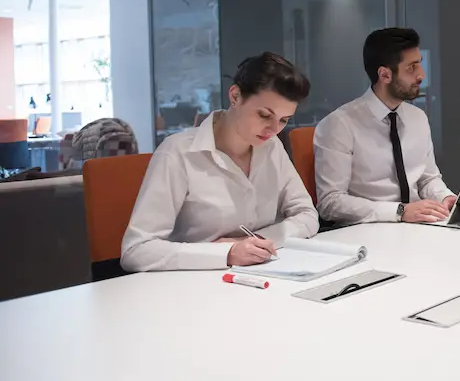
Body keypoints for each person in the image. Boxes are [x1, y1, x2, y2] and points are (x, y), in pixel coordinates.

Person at [121, 52, 318, 272]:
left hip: (259, 275)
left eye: (283, 120)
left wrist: (258, 242)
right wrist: (225, 253)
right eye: (264, 115)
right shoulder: (178, 153)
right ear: (235, 96)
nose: (274, 129)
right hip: (191, 283)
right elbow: (136, 251)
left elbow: (307, 215)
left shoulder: (272, 147)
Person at [313, 28, 456, 224]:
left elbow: (427, 179)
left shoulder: (418, 118)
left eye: (420, 64)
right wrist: (399, 212)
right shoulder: (339, 125)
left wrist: (444, 197)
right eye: (411, 67)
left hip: (418, 225)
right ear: (385, 75)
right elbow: (330, 203)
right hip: (369, 230)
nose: (421, 75)